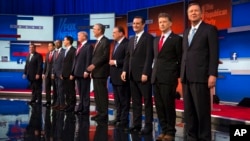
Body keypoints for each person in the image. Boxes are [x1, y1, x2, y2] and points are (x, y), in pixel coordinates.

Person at [180, 3, 219, 141]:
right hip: (186, 76)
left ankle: (204, 137)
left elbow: (214, 54)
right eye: (191, 11)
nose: (193, 13)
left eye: (196, 11)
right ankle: (192, 136)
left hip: (201, 76)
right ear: (188, 14)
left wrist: (212, 73)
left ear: (201, 13)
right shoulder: (186, 32)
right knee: (189, 111)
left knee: (202, 111)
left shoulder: (209, 29)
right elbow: (185, 53)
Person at [151, 13, 182, 141]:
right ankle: (163, 130)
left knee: (168, 105)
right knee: (159, 106)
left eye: (164, 21)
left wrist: (177, 76)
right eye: (160, 22)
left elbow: (180, 60)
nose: (162, 24)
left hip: (169, 78)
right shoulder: (156, 40)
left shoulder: (177, 39)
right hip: (156, 77)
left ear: (170, 23)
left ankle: (171, 131)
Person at [121, 16, 154, 135]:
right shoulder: (131, 39)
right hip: (131, 75)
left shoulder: (148, 38)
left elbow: (149, 57)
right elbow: (128, 57)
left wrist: (146, 72)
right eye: (134, 23)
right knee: (135, 102)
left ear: (143, 25)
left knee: (147, 101)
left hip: (143, 75)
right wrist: (125, 70)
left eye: (138, 23)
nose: (135, 25)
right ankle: (136, 124)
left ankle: (148, 126)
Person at [87, 23, 110, 125]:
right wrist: (92, 70)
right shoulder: (97, 42)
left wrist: (94, 65)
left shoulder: (105, 41)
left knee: (102, 94)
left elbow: (105, 56)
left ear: (100, 30)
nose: (93, 31)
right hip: (96, 72)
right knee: (97, 94)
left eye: (94, 29)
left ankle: (104, 114)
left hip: (101, 72)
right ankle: (99, 112)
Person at [109, 26, 130, 130]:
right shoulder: (115, 44)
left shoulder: (127, 43)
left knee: (124, 100)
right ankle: (118, 118)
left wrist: (115, 62)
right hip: (114, 76)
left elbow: (128, 60)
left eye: (114, 32)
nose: (113, 34)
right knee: (117, 100)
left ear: (121, 33)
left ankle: (124, 119)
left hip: (122, 76)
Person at [73, 31, 93, 115]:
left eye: (79, 35)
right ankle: (80, 107)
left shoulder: (89, 46)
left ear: (84, 37)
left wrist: (87, 71)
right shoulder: (79, 46)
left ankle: (85, 108)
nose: (78, 36)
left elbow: (89, 59)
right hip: (77, 72)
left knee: (85, 91)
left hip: (84, 72)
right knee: (80, 91)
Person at [61, 36, 76, 112]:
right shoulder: (64, 51)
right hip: (64, 74)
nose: (63, 41)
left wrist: (72, 73)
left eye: (64, 40)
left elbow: (74, 63)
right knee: (66, 90)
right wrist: (61, 73)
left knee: (71, 91)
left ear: (68, 41)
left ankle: (72, 106)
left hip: (70, 74)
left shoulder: (74, 50)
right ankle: (68, 104)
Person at [51, 40, 66, 110]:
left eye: (57, 43)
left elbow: (64, 64)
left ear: (60, 43)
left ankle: (62, 104)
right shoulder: (55, 52)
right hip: (55, 74)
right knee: (57, 90)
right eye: (55, 43)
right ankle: (58, 103)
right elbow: (53, 64)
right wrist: (53, 73)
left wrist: (62, 73)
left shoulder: (64, 51)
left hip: (61, 74)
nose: (56, 44)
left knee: (61, 89)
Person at [42, 42, 57, 107]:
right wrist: (43, 73)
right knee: (47, 89)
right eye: (48, 46)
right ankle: (48, 101)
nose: (49, 47)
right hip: (47, 74)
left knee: (55, 89)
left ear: (54, 46)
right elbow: (45, 65)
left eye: (50, 46)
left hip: (54, 74)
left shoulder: (57, 53)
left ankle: (55, 102)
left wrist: (54, 73)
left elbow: (56, 65)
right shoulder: (47, 54)